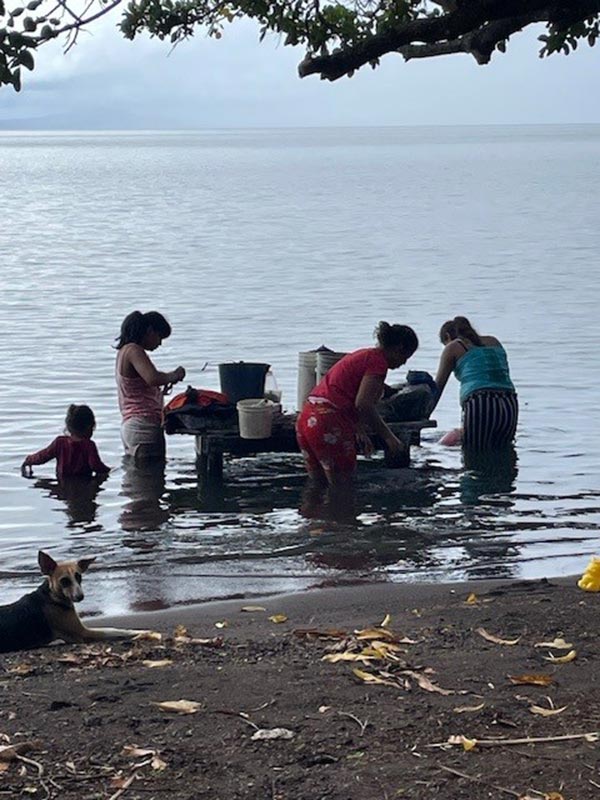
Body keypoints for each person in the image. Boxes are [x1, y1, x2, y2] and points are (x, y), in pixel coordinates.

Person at [296, 321, 419, 494]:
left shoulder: (363, 354)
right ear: (399, 348)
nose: (403, 363)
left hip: (307, 418)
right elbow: (364, 404)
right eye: (405, 357)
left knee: (318, 486)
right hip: (328, 422)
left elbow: (346, 395)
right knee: (343, 488)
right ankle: (342, 519)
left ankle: (314, 518)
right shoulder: (378, 362)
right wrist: (389, 438)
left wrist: (358, 428)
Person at [433, 316, 518, 451]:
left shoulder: (453, 347)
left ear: (448, 337)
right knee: (504, 450)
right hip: (509, 402)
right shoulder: (494, 341)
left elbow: (436, 389)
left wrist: (421, 416)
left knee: (474, 453)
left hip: (480, 402)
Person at [115, 310, 186, 462]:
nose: (159, 343)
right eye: (159, 337)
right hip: (143, 426)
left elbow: (145, 382)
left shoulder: (124, 352)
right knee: (151, 480)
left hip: (132, 425)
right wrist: (175, 374)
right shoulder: (134, 350)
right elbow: (152, 378)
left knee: (137, 480)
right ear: (149, 331)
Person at [22, 404, 110, 479]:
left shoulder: (59, 442)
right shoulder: (89, 446)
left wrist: (29, 460)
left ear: (68, 427)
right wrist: (110, 470)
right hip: (83, 483)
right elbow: (96, 466)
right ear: (90, 427)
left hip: (62, 484)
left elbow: (43, 456)